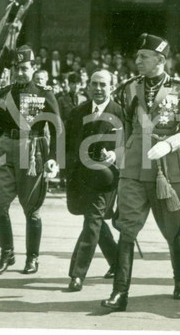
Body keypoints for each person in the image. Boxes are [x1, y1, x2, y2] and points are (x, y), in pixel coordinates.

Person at [101, 33, 180, 312]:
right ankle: (120, 292)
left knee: (172, 228)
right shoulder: (129, 87)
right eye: (138, 55)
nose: (137, 60)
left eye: (143, 56)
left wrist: (168, 144)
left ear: (160, 60)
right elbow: (127, 127)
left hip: (167, 168)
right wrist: (120, 153)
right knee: (127, 229)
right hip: (133, 167)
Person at [0, 46, 61, 275]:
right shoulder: (3, 92)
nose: (20, 72)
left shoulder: (44, 93)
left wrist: (53, 158)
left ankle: (32, 258)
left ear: (34, 68)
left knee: (32, 207)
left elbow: (56, 128)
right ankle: (7, 254)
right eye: (16, 68)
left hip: (32, 150)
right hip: (5, 148)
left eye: (24, 68)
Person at [65, 70, 121, 292]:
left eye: (103, 85)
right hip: (81, 177)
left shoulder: (120, 113)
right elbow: (67, 142)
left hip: (106, 178)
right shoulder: (77, 112)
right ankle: (117, 262)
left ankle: (77, 274)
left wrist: (115, 155)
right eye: (94, 84)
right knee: (95, 221)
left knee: (92, 221)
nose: (98, 88)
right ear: (88, 86)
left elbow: (128, 144)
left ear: (111, 87)